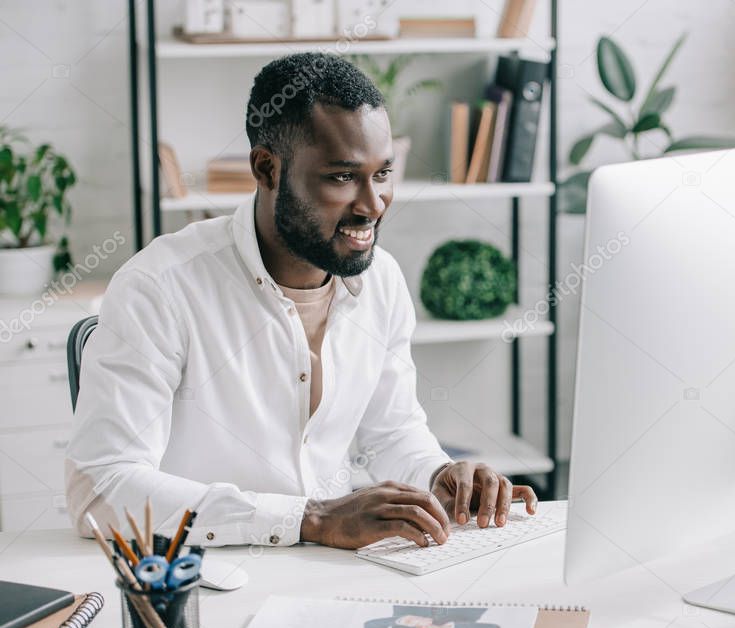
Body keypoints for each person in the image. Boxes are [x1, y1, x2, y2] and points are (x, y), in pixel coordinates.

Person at [65, 53, 537, 550]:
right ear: (267, 168)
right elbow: (101, 490)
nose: (372, 205)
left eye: (382, 174)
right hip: (201, 578)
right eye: (341, 177)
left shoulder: (383, 281)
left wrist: (436, 475)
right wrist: (308, 519)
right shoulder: (159, 287)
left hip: (334, 573)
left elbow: (391, 433)